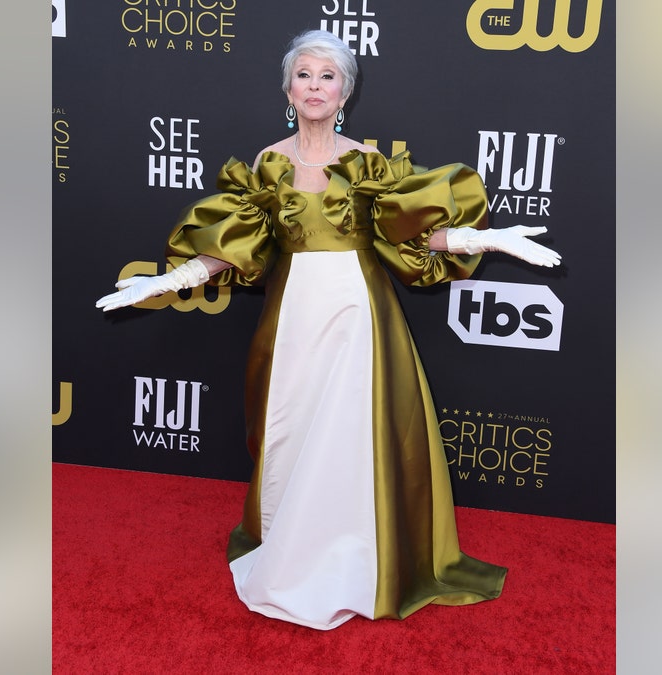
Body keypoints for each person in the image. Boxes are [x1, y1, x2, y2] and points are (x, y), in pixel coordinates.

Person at [96, 29, 561, 630]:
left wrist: (485, 237)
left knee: (350, 437)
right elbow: (232, 248)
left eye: (328, 76)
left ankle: (359, 558)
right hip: (291, 318)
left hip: (358, 317)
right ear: (288, 88)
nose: (315, 87)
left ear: (345, 91)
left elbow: (413, 233)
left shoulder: (364, 162)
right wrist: (163, 281)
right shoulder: (267, 162)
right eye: (305, 75)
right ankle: (290, 548)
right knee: (292, 430)